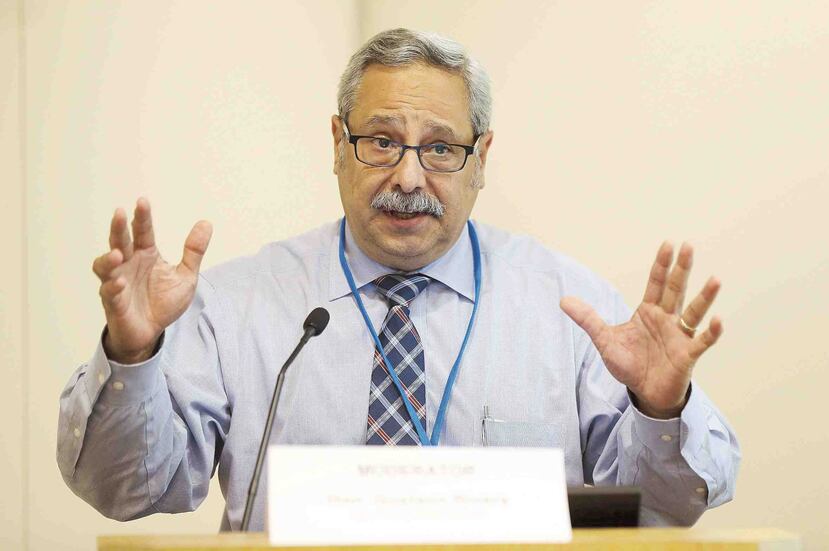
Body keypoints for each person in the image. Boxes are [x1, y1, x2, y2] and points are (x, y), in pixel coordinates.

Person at [57, 28, 739, 531]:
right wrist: (133, 355)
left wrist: (659, 408)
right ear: (336, 143)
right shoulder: (240, 303)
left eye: (440, 147)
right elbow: (125, 489)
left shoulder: (566, 306)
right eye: (380, 140)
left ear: (481, 158)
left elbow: (670, 504)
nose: (408, 176)